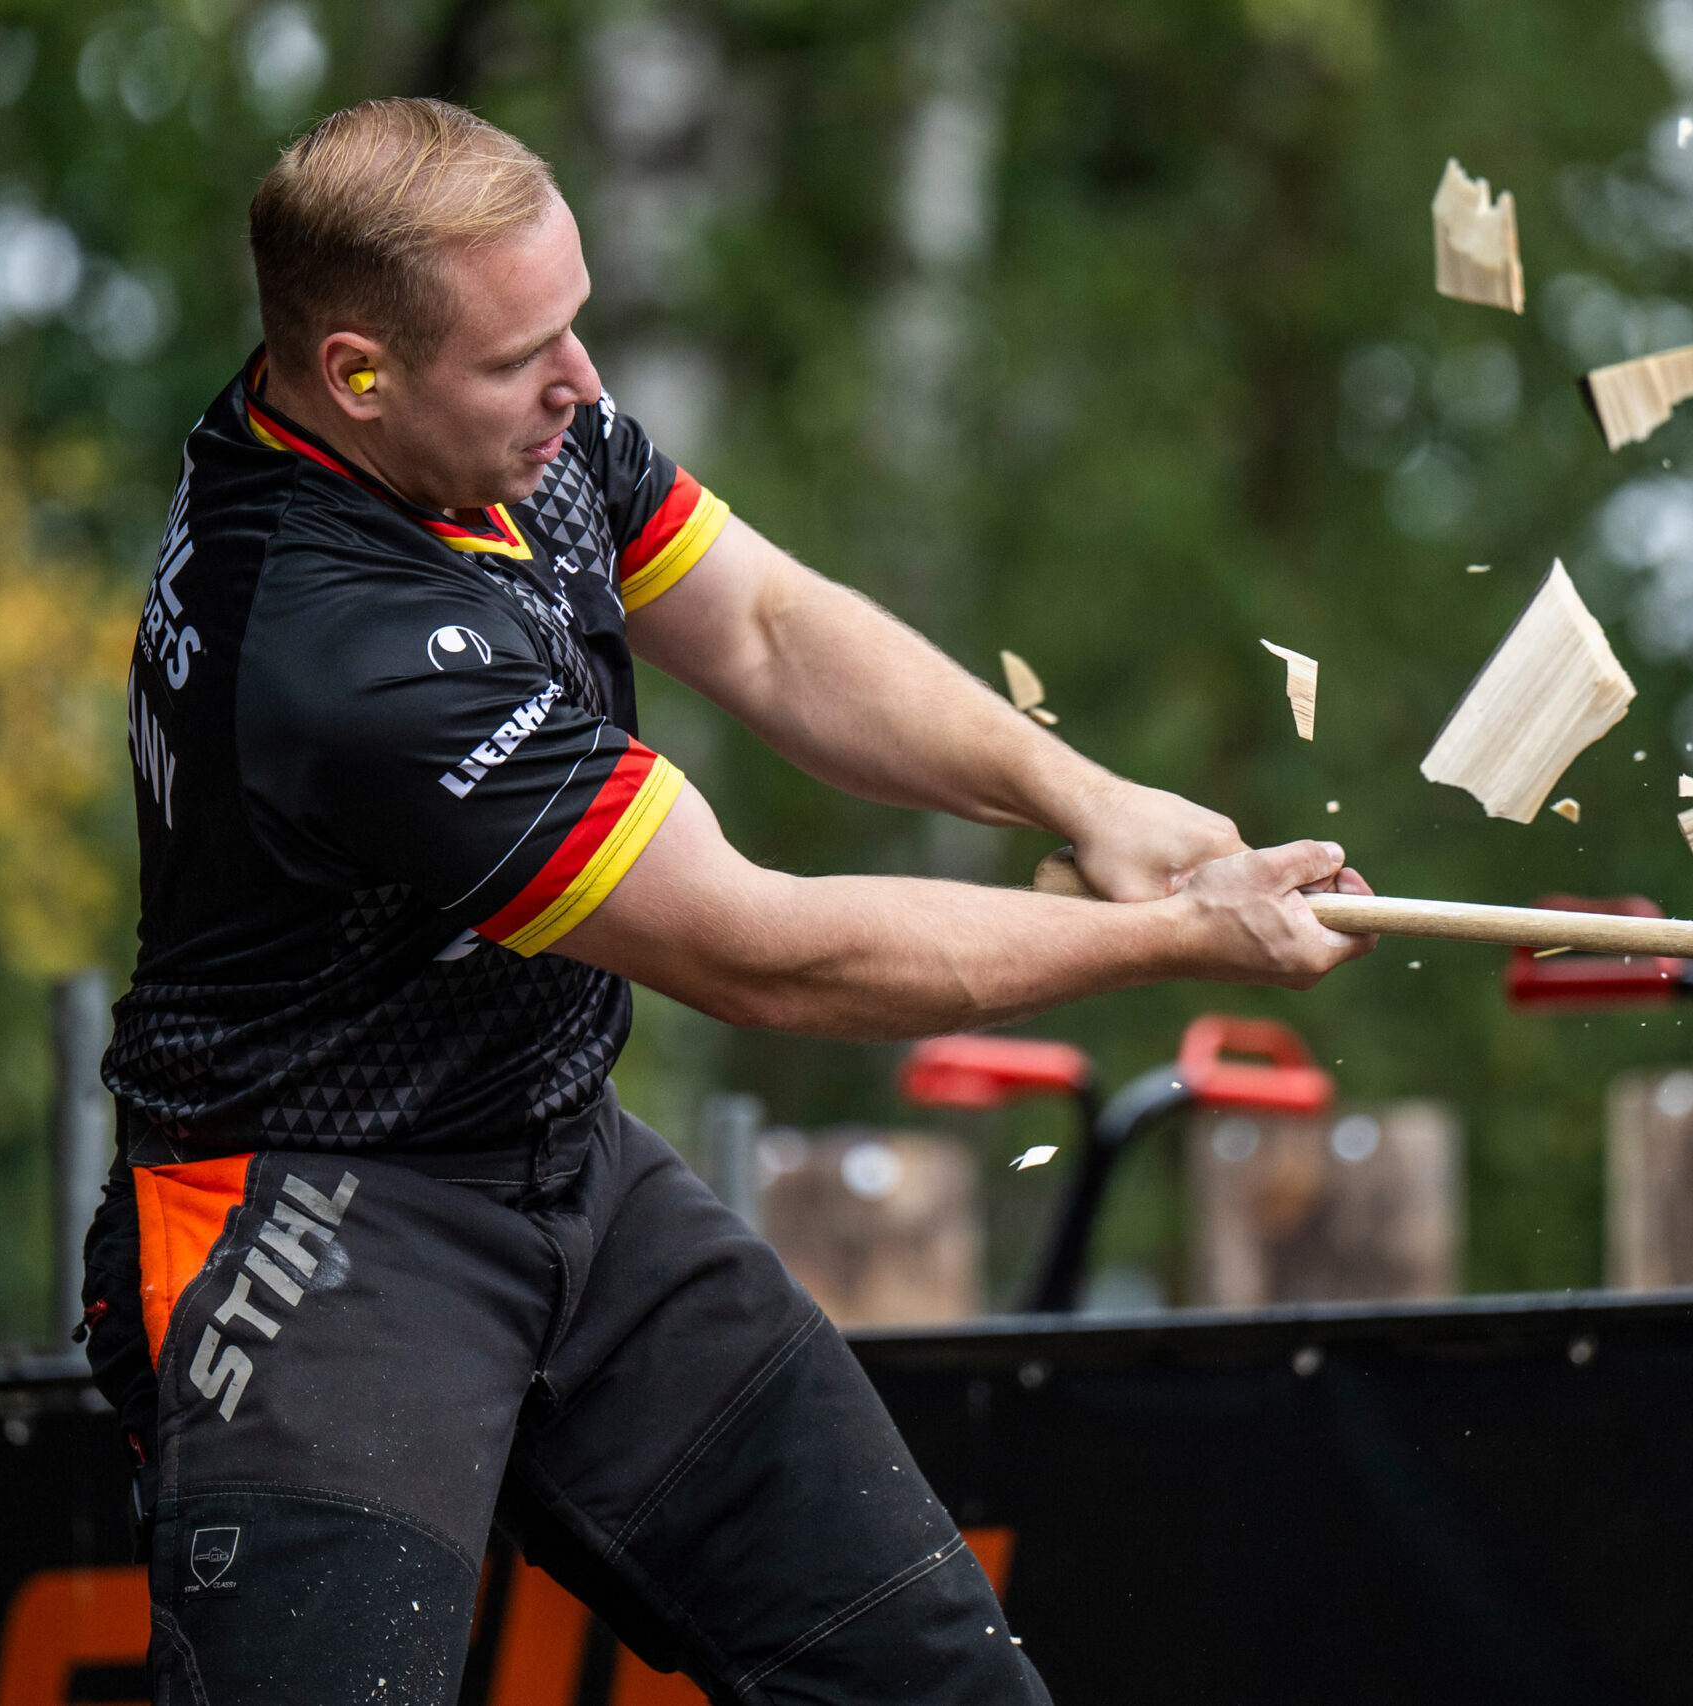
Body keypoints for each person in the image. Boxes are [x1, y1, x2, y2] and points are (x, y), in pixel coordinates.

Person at [80, 96, 1373, 1706]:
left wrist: (1092, 804)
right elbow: (767, 952)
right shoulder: (341, 647)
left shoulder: (503, 437)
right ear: (357, 370)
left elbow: (766, 626)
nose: (585, 387)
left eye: (582, 324)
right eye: (526, 356)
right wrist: (1184, 937)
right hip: (314, 1220)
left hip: (561, 1155)